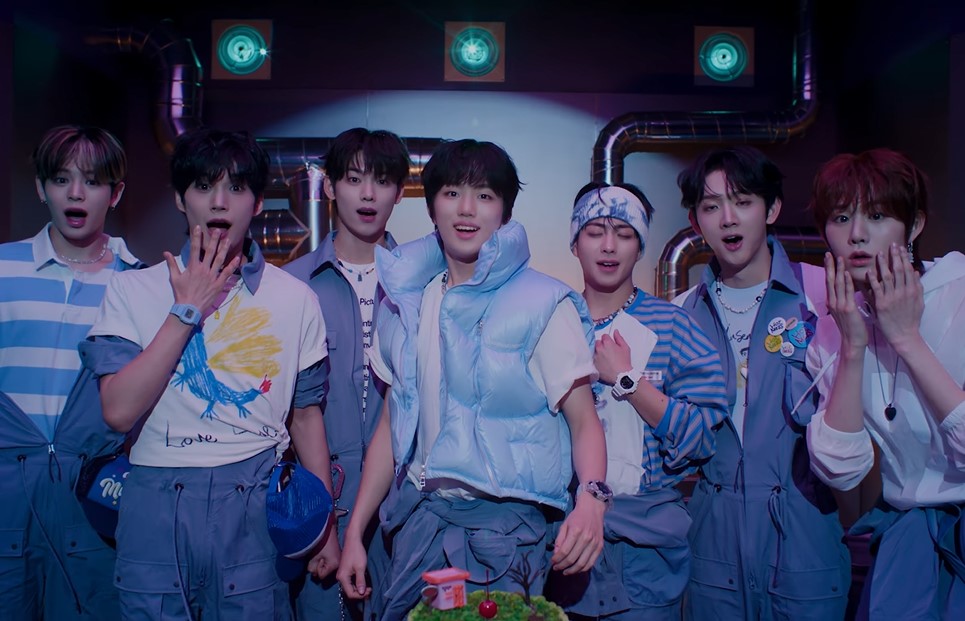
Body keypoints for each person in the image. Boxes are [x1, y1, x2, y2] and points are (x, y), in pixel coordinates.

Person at [336, 139, 608, 620]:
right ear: (431, 206)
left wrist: (591, 501)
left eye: (484, 195)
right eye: (452, 193)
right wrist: (355, 532)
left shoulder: (544, 302)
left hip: (505, 534)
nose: (466, 209)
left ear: (505, 212)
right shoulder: (403, 302)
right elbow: (391, 427)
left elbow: (584, 420)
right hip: (420, 524)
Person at [82, 128, 338, 620]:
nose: (219, 202)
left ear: (258, 203)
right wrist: (187, 309)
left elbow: (306, 417)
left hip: (252, 502)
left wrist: (322, 522)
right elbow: (118, 411)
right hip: (155, 502)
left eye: (236, 188)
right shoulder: (132, 290)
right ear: (181, 199)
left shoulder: (295, 298)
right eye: (203, 186)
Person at [674, 146, 851, 620]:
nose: (728, 219)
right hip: (713, 543)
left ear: (771, 210)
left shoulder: (823, 296)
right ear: (695, 222)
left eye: (743, 201)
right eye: (711, 206)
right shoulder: (681, 314)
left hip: (804, 536)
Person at [806, 148, 965, 620]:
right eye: (840, 218)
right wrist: (853, 347)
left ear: (914, 226)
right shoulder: (834, 328)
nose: (856, 234)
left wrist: (906, 338)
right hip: (907, 544)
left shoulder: (957, 294)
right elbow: (841, 469)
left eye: (877, 216)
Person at [557, 182, 728, 619]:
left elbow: (702, 439)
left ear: (640, 247)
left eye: (624, 233)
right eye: (595, 231)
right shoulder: (554, 320)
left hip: (643, 544)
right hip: (561, 534)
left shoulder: (673, 326)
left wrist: (629, 381)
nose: (609, 245)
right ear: (575, 243)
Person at [0, 124, 140, 620]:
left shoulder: (139, 281)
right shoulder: (4, 269)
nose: (76, 193)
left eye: (92, 181)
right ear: (42, 188)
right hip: (8, 493)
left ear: (115, 193)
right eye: (61, 179)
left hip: (97, 495)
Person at [284, 127, 410, 620]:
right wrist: (318, 523)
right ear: (330, 187)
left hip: (402, 504)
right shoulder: (291, 285)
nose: (368, 194)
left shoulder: (425, 285)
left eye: (382, 181)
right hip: (319, 502)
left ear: (399, 192)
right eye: (354, 179)